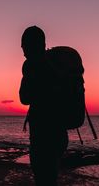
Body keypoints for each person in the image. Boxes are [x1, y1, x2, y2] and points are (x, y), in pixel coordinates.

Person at [19, 26, 68, 186]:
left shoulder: (31, 65)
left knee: (43, 178)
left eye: (24, 46)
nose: (23, 51)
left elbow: (24, 98)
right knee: (50, 177)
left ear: (31, 45)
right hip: (59, 134)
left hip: (43, 135)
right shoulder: (55, 65)